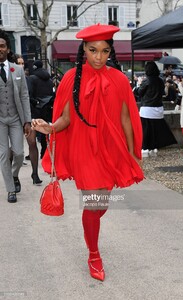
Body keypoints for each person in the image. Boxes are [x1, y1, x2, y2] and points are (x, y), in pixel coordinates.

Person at [31, 24, 144, 281]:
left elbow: (126, 119)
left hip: (110, 149)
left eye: (104, 51)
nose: (98, 57)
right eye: (92, 50)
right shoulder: (72, 78)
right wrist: (49, 128)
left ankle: (92, 229)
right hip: (85, 149)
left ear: (110, 52)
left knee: (100, 203)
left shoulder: (118, 79)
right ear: (83, 49)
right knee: (94, 205)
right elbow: (66, 118)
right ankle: (94, 254)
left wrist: (131, 152)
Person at [0, 29, 31, 203]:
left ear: (8, 49)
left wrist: (27, 120)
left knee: (19, 154)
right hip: (0, 120)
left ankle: (14, 174)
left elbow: (25, 95)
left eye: (2, 46)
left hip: (15, 119)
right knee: (4, 154)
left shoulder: (17, 69)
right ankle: (10, 190)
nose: (0, 49)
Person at [137, 61, 177, 157]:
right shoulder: (160, 80)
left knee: (145, 130)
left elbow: (139, 92)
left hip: (147, 108)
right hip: (158, 108)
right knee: (155, 129)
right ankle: (153, 148)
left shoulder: (146, 81)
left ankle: (145, 148)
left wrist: (139, 84)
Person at [15, 55, 43, 184]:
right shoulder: (8, 78)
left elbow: (33, 95)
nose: (21, 66)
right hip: (13, 116)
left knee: (32, 143)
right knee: (14, 150)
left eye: (22, 63)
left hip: (29, 114)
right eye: (18, 63)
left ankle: (35, 173)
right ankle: (14, 176)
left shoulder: (29, 79)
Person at [29, 60, 54, 160]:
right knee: (45, 131)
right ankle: (45, 151)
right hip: (47, 107)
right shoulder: (49, 79)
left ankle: (33, 152)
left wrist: (34, 102)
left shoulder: (32, 78)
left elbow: (29, 93)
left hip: (36, 107)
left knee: (33, 132)